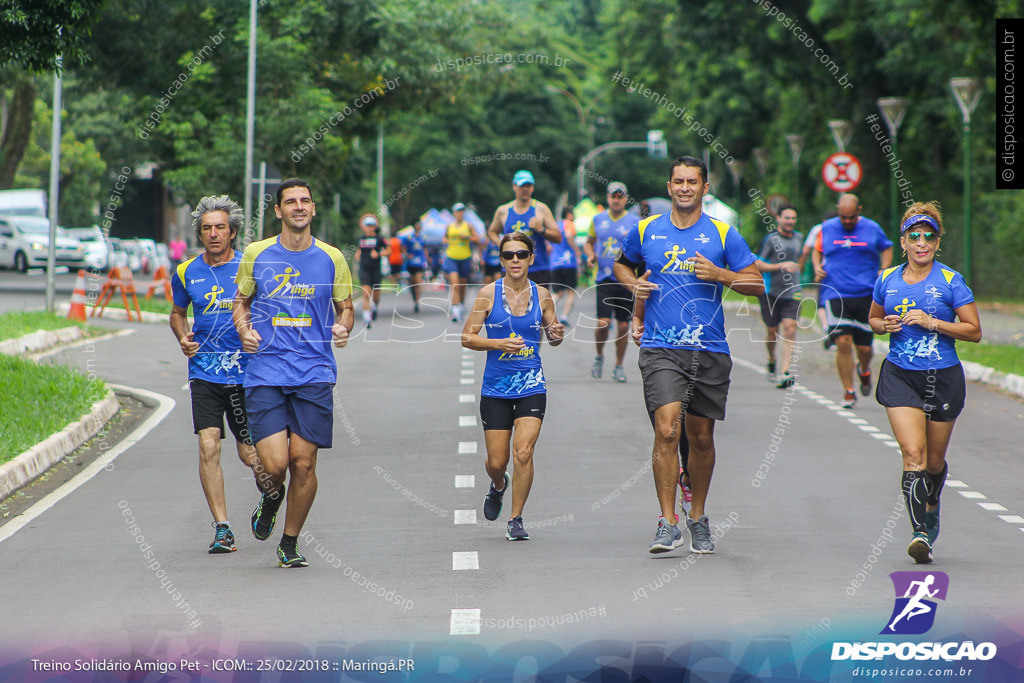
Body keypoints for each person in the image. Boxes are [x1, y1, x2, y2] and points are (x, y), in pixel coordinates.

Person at [613, 155, 762, 555]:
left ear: (704, 188)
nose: (684, 188)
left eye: (692, 182)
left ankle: (697, 516)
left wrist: (721, 275)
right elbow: (621, 266)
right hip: (662, 347)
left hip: (709, 348)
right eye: (678, 181)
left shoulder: (722, 233)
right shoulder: (645, 230)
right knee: (666, 429)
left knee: (700, 437)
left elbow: (756, 283)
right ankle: (667, 521)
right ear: (668, 187)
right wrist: (634, 288)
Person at [233, 178, 354, 568]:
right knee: (275, 467)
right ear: (278, 211)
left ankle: (289, 541)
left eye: (305, 201)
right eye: (291, 202)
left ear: (313, 209)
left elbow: (346, 307)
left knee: (303, 462)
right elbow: (241, 302)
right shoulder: (257, 253)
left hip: (315, 372)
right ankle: (271, 498)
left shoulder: (332, 257)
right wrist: (244, 329)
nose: (299, 207)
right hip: (265, 372)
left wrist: (343, 326)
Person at [869, 202, 981, 564]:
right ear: (903, 241)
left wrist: (934, 323)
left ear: (937, 242)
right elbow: (873, 317)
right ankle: (920, 534)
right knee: (912, 454)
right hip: (901, 373)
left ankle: (931, 505)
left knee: (934, 462)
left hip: (942, 377)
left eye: (929, 236)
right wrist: (882, 325)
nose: (921, 243)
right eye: (914, 236)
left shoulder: (951, 281)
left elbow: (974, 331)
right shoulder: (886, 279)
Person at [169, 195, 259, 554]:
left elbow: (267, 308)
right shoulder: (186, 271)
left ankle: (269, 497)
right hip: (205, 373)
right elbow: (177, 313)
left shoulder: (249, 267)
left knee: (252, 455)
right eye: (207, 228)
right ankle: (223, 527)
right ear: (200, 234)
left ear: (233, 232)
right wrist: (183, 337)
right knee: (208, 444)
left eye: (220, 227)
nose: (214, 234)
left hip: (247, 374)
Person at [462, 233, 564, 541]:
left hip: (532, 384)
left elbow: (554, 335)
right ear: (502, 260)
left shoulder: (543, 295)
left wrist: (557, 333)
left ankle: (516, 518)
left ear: (532, 258)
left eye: (521, 254)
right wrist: (497, 343)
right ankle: (498, 485)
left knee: (523, 451)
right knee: (497, 462)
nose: (515, 260)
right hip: (495, 389)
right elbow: (467, 337)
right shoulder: (487, 294)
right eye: (508, 255)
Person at [813, 194, 893, 408]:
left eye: (851, 217)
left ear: (859, 210)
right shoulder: (827, 228)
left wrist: (883, 269)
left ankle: (864, 370)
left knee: (865, 349)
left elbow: (887, 246)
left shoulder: (872, 228)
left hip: (866, 294)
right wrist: (817, 267)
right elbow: (817, 249)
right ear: (838, 210)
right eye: (843, 217)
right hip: (835, 293)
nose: (847, 221)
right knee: (842, 342)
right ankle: (848, 391)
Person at [585, 181, 639, 382]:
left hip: (625, 280)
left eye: (620, 196)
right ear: (607, 198)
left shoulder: (634, 221)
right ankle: (599, 356)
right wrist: (590, 255)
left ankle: (618, 365)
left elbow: (641, 248)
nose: (616, 200)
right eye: (613, 197)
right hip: (604, 278)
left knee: (623, 327)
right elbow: (589, 243)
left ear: (625, 199)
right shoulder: (598, 219)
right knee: (603, 322)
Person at [754, 202, 804, 388]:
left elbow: (801, 258)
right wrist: (779, 266)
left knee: (790, 329)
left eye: (793, 218)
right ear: (779, 219)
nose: (790, 221)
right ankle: (771, 358)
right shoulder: (771, 239)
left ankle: (784, 371)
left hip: (793, 291)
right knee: (772, 331)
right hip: (771, 291)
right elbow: (758, 264)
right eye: (787, 218)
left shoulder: (799, 237)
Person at [487, 170, 561, 291]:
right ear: (514, 186)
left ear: (532, 188)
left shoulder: (541, 209)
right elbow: (492, 231)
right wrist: (501, 244)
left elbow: (558, 237)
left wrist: (541, 230)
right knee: (513, 308)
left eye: (529, 186)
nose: (525, 189)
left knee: (537, 308)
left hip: (538, 269)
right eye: (522, 186)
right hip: (511, 269)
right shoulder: (503, 210)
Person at [802, 209, 838, 335]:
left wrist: (804, 267)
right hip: (842, 273)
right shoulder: (846, 230)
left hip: (824, 271)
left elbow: (807, 250)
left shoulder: (818, 229)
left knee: (822, 302)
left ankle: (826, 327)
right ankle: (835, 327)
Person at [444, 202, 480, 322]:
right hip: (452, 257)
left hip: (465, 257)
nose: (460, 214)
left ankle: (461, 305)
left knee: (462, 284)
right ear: (454, 213)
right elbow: (444, 238)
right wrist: (447, 241)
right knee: (455, 284)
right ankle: (455, 310)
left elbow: (478, 239)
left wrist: (468, 237)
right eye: (458, 211)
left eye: (462, 211)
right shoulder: (450, 226)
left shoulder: (468, 226)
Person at [548, 207, 581, 326]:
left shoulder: (555, 226)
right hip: (568, 263)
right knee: (571, 292)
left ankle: (545, 312)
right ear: (568, 215)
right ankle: (564, 317)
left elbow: (549, 246)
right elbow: (568, 235)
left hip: (555, 263)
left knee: (557, 292)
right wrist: (576, 249)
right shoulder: (569, 224)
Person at [357, 213, 389, 328]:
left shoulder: (379, 239)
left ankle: (374, 306)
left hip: (376, 269)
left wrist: (379, 254)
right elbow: (359, 250)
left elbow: (389, 251)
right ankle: (367, 318)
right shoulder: (361, 239)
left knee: (375, 295)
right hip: (364, 269)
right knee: (366, 293)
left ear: (374, 226)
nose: (369, 228)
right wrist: (358, 254)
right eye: (367, 225)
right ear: (364, 227)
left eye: (371, 225)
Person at [401, 219, 428, 313]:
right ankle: (414, 298)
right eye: (417, 224)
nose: (418, 226)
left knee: (418, 281)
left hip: (420, 262)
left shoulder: (423, 237)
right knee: (412, 283)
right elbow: (403, 247)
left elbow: (425, 249)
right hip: (411, 262)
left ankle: (417, 301)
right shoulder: (408, 237)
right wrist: (407, 255)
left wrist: (427, 259)